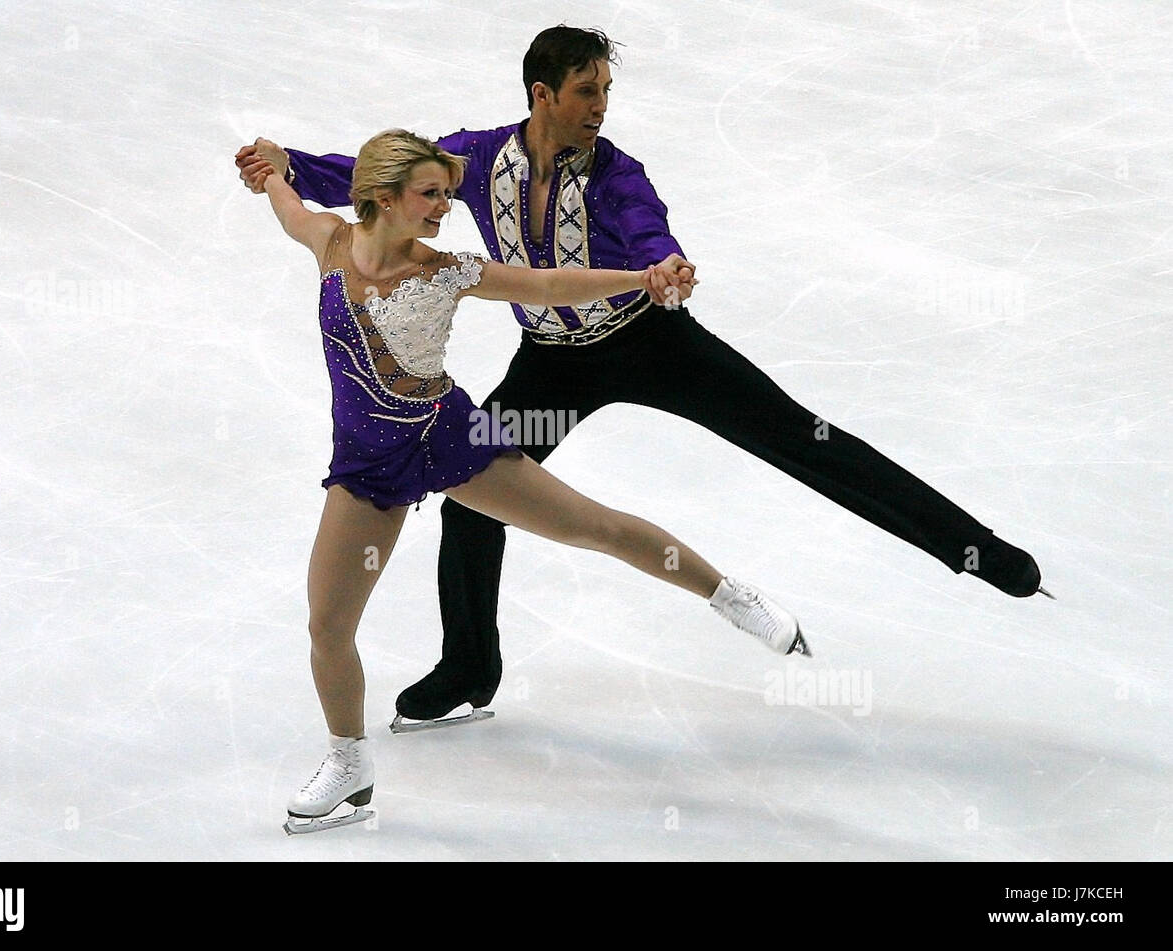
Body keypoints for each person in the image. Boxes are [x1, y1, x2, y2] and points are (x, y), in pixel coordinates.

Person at [237, 26, 1051, 731]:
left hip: (656, 345)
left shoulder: (618, 174)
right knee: (469, 499)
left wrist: (660, 266)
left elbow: (646, 232)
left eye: (607, 92)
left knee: (802, 437)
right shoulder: (478, 159)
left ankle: (980, 551)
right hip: (551, 367)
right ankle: (470, 667)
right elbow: (382, 177)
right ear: (542, 92)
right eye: (586, 91)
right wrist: (289, 165)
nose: (600, 106)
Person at [249, 129, 808, 832]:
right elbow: (287, 204)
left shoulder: (446, 270)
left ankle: (728, 594)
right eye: (430, 194)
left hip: (450, 434)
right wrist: (272, 167)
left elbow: (547, 286)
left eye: (447, 194)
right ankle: (349, 762)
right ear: (382, 199)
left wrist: (640, 277)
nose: (444, 207)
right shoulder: (329, 242)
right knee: (328, 623)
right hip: (366, 464)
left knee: (591, 525)